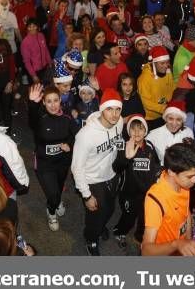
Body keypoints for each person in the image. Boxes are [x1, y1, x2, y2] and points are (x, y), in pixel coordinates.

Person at [71, 88, 124, 255]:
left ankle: (99, 228)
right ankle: (91, 239)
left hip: (111, 175)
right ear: (102, 110)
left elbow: (117, 145)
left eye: (118, 109)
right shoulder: (86, 135)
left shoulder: (119, 122)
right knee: (95, 214)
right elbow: (76, 167)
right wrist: (86, 195)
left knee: (109, 210)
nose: (114, 114)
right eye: (109, 109)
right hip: (92, 180)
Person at [28, 84, 79, 231]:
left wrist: (70, 144)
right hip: (44, 163)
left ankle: (56, 200)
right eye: (48, 101)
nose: (53, 105)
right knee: (53, 194)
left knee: (59, 188)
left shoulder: (67, 115)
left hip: (62, 161)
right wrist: (32, 104)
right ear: (43, 102)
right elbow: (32, 119)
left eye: (55, 100)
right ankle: (51, 211)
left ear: (60, 100)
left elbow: (77, 136)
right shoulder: (40, 117)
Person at [142, 143, 195, 256]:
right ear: (171, 172)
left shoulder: (184, 183)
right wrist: (176, 244)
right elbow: (146, 251)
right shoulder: (155, 199)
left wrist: (188, 241)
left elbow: (186, 212)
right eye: (190, 176)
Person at [112, 115, 160, 247]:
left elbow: (155, 164)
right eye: (133, 129)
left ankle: (140, 236)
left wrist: (157, 177)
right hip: (129, 192)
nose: (137, 133)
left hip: (147, 192)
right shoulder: (125, 146)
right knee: (129, 217)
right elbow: (116, 167)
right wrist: (126, 158)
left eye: (140, 129)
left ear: (145, 131)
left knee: (145, 215)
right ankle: (119, 232)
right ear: (128, 131)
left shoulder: (149, 146)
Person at [137, 46, 175, 130]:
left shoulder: (168, 72)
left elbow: (172, 89)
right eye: (162, 63)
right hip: (151, 118)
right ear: (154, 63)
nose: (166, 66)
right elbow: (146, 102)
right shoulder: (144, 78)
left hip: (165, 113)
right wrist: (164, 108)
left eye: (167, 62)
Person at [20, 18, 52, 84]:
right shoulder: (25, 42)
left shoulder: (41, 36)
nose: (32, 29)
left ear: (37, 26)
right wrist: (33, 75)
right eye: (29, 27)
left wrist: (50, 62)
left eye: (34, 26)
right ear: (27, 28)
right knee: (36, 90)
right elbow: (26, 61)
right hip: (34, 71)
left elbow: (46, 50)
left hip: (45, 67)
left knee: (46, 87)